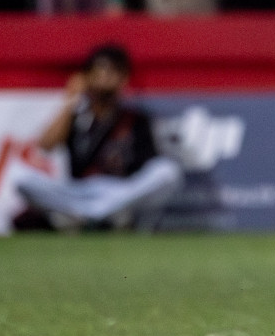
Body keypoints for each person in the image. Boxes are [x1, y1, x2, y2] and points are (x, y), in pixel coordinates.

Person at [16, 44, 183, 232]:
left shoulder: (134, 119)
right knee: (22, 179)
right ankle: (99, 215)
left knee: (167, 171)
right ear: (87, 77)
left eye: (111, 71)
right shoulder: (77, 116)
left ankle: (87, 215)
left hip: (121, 191)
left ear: (123, 78)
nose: (104, 76)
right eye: (98, 71)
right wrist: (70, 101)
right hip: (80, 191)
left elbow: (149, 168)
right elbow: (45, 146)